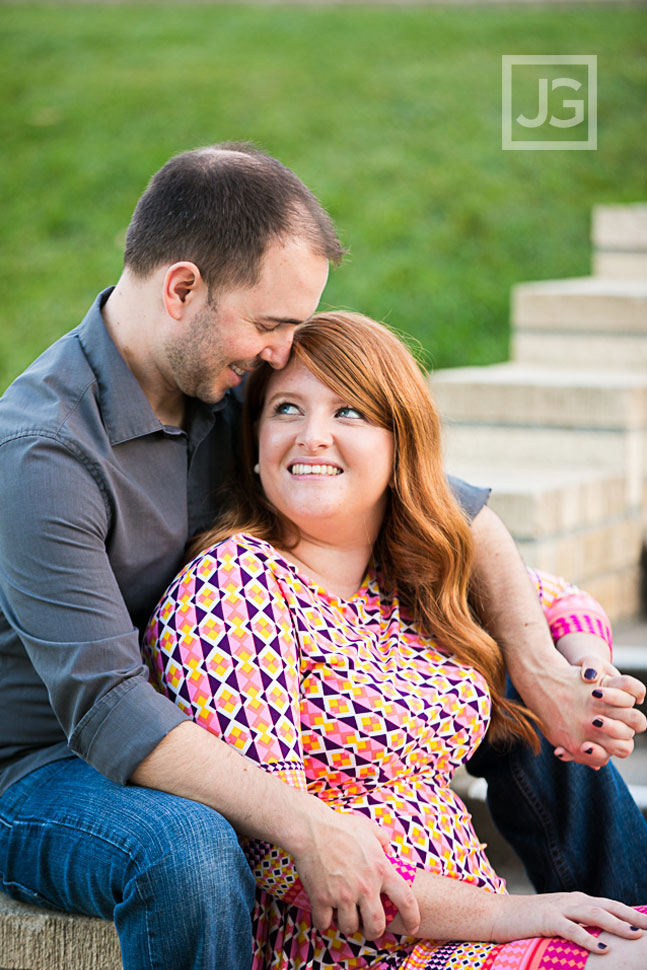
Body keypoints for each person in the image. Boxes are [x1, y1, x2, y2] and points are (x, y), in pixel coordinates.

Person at [0, 144, 644, 970]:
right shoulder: (41, 454)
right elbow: (106, 712)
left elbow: (447, 512)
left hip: (223, 677)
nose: (281, 353)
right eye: (271, 324)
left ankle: (624, 923)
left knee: (517, 679)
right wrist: (310, 823)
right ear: (182, 289)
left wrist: (540, 659)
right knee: (186, 848)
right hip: (48, 766)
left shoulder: (225, 380)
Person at [143, 310, 647, 969]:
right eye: (287, 409)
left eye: (348, 412)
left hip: (477, 923)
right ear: (256, 449)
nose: (312, 437)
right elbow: (278, 855)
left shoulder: (405, 572)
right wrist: (514, 913)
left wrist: (586, 677)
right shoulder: (231, 587)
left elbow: (558, 602)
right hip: (353, 947)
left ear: (399, 449)